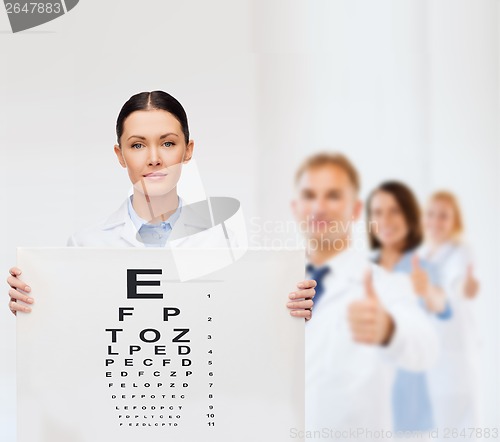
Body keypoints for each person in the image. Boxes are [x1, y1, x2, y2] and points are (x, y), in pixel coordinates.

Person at [7, 90, 315, 320]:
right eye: (137, 145)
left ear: (187, 150)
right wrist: (33, 306)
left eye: (168, 143)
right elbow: (72, 327)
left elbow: (241, 325)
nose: (154, 157)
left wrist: (288, 307)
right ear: (119, 155)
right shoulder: (86, 245)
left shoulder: (223, 243)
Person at [292, 152, 438, 440]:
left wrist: (389, 330)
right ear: (296, 207)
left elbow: (426, 346)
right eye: (309, 195)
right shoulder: (279, 284)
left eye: (333, 196)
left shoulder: (385, 284)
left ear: (356, 209)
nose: (319, 207)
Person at [366, 181, 451, 434]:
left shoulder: (423, 268)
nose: (385, 220)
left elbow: (443, 306)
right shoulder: (363, 269)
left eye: (395, 211)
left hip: (410, 406)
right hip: (367, 403)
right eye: (378, 212)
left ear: (410, 215)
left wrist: (427, 292)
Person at [419, 191, 480, 436]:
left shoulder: (461, 251)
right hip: (431, 360)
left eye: (443, 216)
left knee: (458, 428)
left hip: (455, 360)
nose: (435, 221)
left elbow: (460, 284)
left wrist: (465, 287)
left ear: (455, 221)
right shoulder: (421, 257)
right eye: (431, 214)